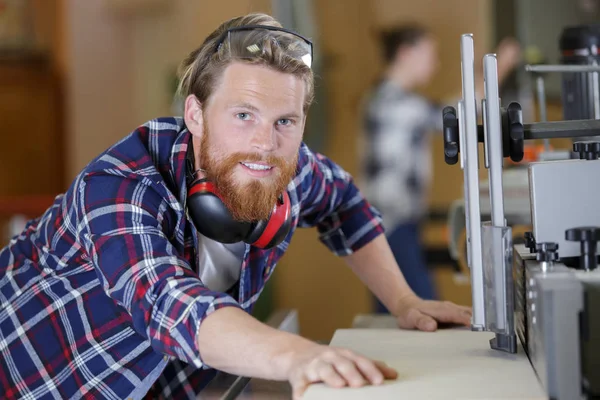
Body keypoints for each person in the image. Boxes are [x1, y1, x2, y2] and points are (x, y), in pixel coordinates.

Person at [0, 13, 472, 400]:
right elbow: (168, 303)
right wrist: (296, 356)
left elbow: (344, 203)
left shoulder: (288, 166)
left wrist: (405, 302)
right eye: (244, 115)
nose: (265, 144)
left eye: (285, 120)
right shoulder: (118, 187)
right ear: (195, 115)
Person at [360, 23, 521, 310]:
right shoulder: (389, 102)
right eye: (429, 53)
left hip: (393, 224)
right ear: (406, 53)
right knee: (422, 310)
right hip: (391, 225)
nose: (434, 63)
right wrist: (497, 69)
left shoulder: (387, 98)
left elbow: (448, 111)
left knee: (401, 311)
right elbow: (452, 116)